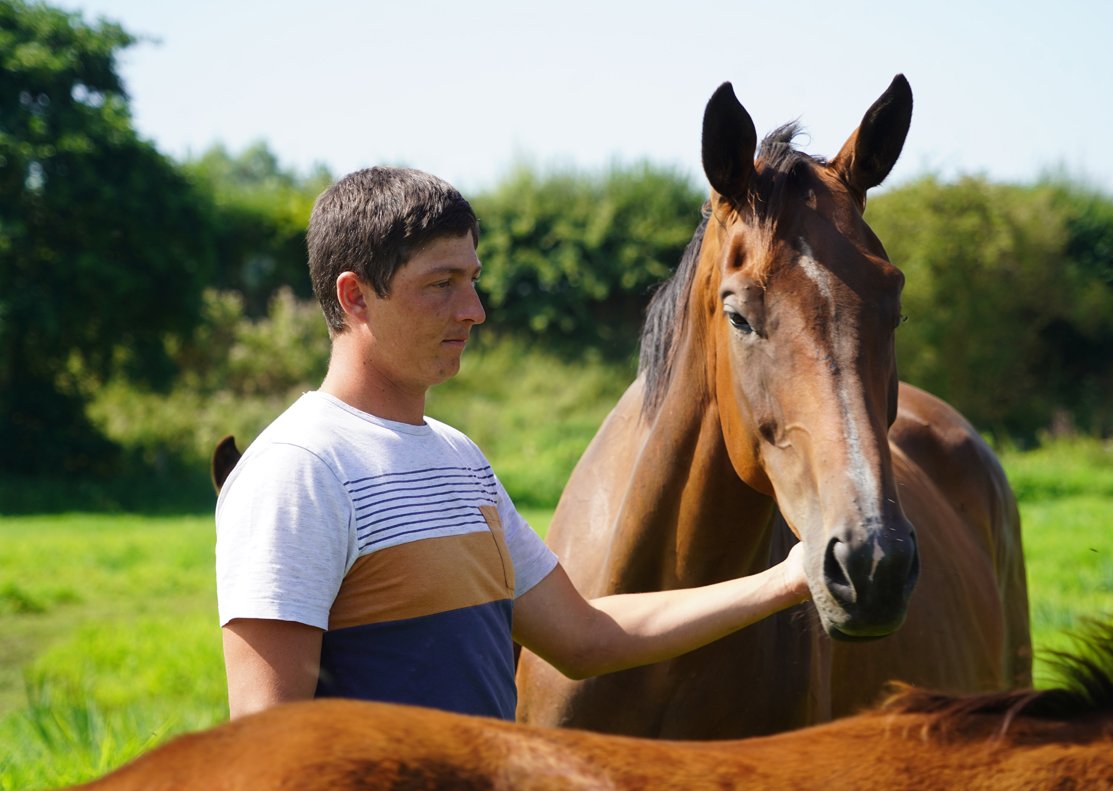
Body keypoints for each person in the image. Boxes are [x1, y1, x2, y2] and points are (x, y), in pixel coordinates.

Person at [216, 166, 811, 721]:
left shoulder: (458, 458)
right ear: (355, 296)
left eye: (471, 281)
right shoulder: (299, 470)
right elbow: (267, 738)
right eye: (441, 284)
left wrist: (787, 580)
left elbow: (583, 636)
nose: (474, 311)